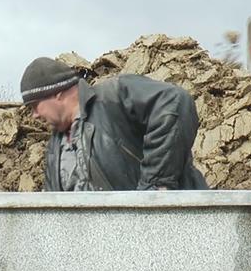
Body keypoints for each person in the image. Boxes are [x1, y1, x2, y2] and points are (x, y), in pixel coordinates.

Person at [20, 57, 208, 191]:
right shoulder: (55, 147)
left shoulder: (112, 98)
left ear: (56, 93)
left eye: (35, 106)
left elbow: (174, 101)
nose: (35, 115)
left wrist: (155, 186)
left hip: (169, 232)